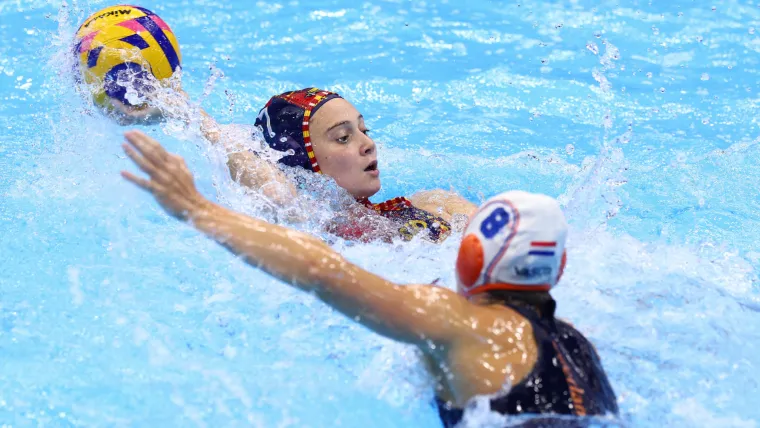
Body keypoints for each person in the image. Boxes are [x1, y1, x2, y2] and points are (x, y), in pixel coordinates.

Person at [119, 130, 620, 427]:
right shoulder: (579, 346)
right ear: (558, 270)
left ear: (468, 259)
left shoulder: (458, 321)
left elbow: (320, 269)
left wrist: (195, 208)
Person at [111, 86, 477, 243]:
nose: (368, 144)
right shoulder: (310, 224)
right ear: (304, 163)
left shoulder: (432, 203)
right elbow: (274, 190)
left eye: (364, 130)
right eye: (343, 137)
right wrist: (188, 113)